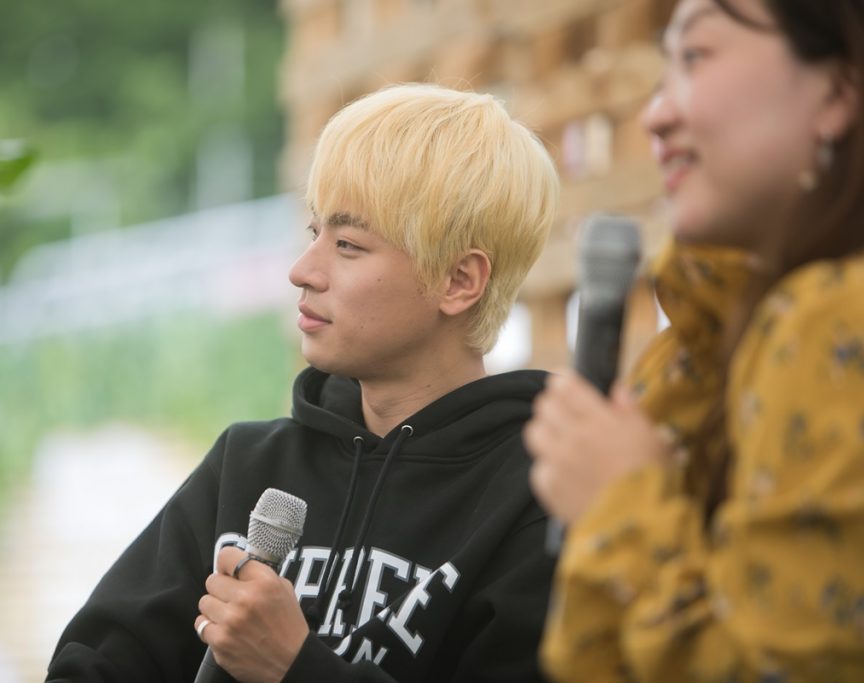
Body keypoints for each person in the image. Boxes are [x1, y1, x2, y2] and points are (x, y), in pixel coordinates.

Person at [46, 83, 561, 682]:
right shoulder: (248, 465)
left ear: (459, 281)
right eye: (313, 233)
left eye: (348, 245)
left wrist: (296, 667)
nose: (302, 271)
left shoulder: (540, 497)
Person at [524, 0, 864, 680]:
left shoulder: (833, 316)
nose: (654, 116)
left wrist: (621, 508)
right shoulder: (714, 338)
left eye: (695, 57)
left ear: (834, 93)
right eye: (661, 72)